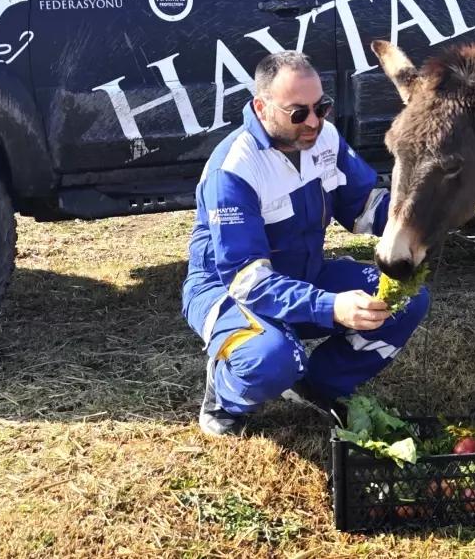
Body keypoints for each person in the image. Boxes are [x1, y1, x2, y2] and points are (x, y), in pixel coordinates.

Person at [181, 50, 430, 437]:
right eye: (299, 112)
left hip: (305, 273)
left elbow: (363, 206)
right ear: (262, 108)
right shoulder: (232, 170)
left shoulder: (323, 137)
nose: (314, 121)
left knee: (407, 300)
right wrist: (331, 306)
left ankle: (318, 386)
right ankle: (224, 397)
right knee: (275, 358)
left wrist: (421, 224)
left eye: (321, 107)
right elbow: (247, 280)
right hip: (229, 291)